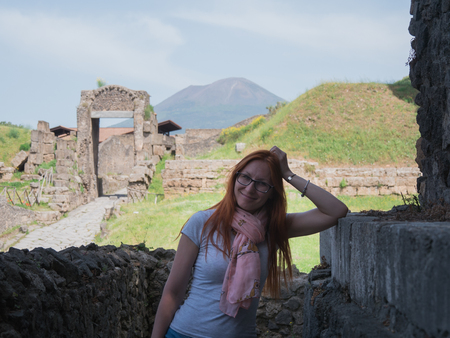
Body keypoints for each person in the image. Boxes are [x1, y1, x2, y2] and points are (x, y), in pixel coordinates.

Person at [151, 146, 348, 338]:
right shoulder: (203, 223)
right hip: (185, 332)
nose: (250, 188)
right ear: (235, 177)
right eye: (245, 177)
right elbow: (172, 293)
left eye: (262, 184)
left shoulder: (273, 228)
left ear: (272, 192)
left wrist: (287, 174)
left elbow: (335, 211)